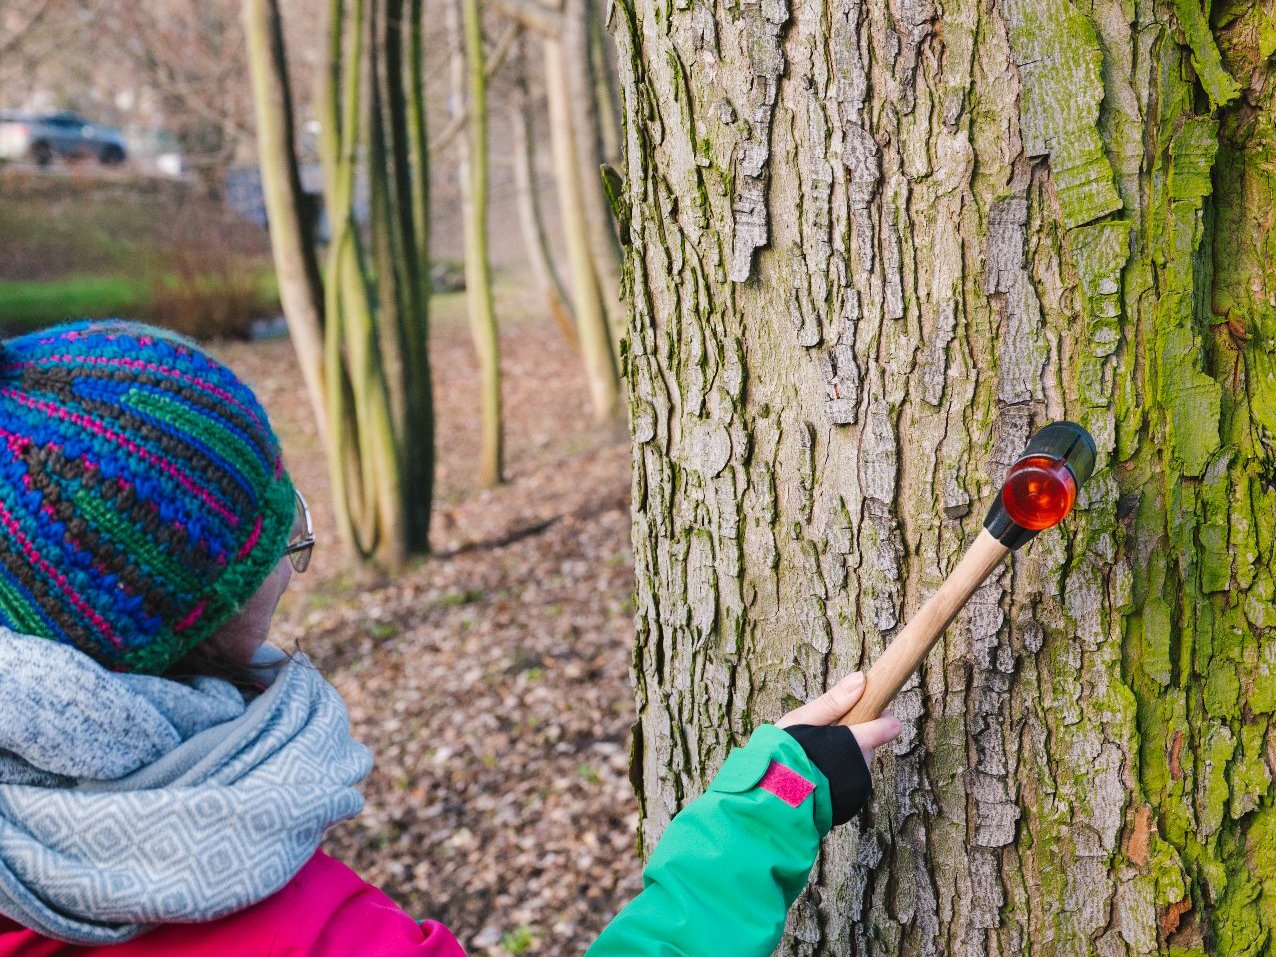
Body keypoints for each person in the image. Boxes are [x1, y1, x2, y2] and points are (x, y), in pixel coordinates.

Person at [0, 321, 899, 955]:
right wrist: (759, 813)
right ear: (198, 618)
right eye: (281, 529)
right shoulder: (289, 934)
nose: (296, 543)